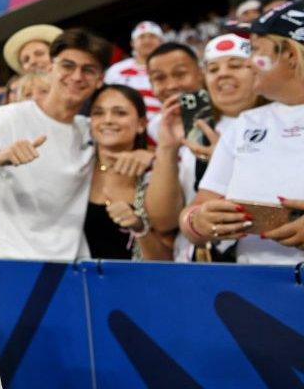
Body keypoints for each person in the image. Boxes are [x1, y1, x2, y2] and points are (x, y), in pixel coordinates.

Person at [0, 28, 111, 260]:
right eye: (68, 66)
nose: (77, 76)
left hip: (75, 268)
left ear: (99, 79)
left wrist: (145, 155)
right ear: (51, 68)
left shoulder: (91, 128)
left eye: (88, 70)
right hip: (17, 266)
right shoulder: (9, 117)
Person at [180, 1, 304, 265]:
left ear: (291, 55)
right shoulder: (246, 123)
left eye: (256, 51)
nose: (249, 63)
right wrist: (199, 221)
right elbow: (194, 212)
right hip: (255, 293)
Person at [146, 34, 260, 262]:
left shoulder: (284, 121)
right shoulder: (178, 129)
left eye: (236, 65)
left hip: (261, 256)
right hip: (195, 260)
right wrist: (167, 149)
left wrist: (227, 161)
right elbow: (163, 221)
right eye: (214, 69)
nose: (224, 74)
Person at [84, 85, 166, 260]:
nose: (108, 120)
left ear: (141, 124)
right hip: (69, 281)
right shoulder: (77, 167)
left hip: (135, 283)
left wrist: (138, 226)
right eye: (98, 113)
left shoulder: (155, 175)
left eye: (120, 113)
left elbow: (166, 260)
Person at [145, 42, 205, 142]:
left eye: (180, 74)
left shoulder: (232, 119)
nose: (171, 85)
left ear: (200, 74)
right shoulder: (153, 130)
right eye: (159, 78)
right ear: (151, 84)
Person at [105, 21, 165, 117]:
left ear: (161, 42)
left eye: (152, 36)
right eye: (142, 37)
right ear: (132, 43)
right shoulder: (116, 71)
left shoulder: (172, 70)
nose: (147, 41)